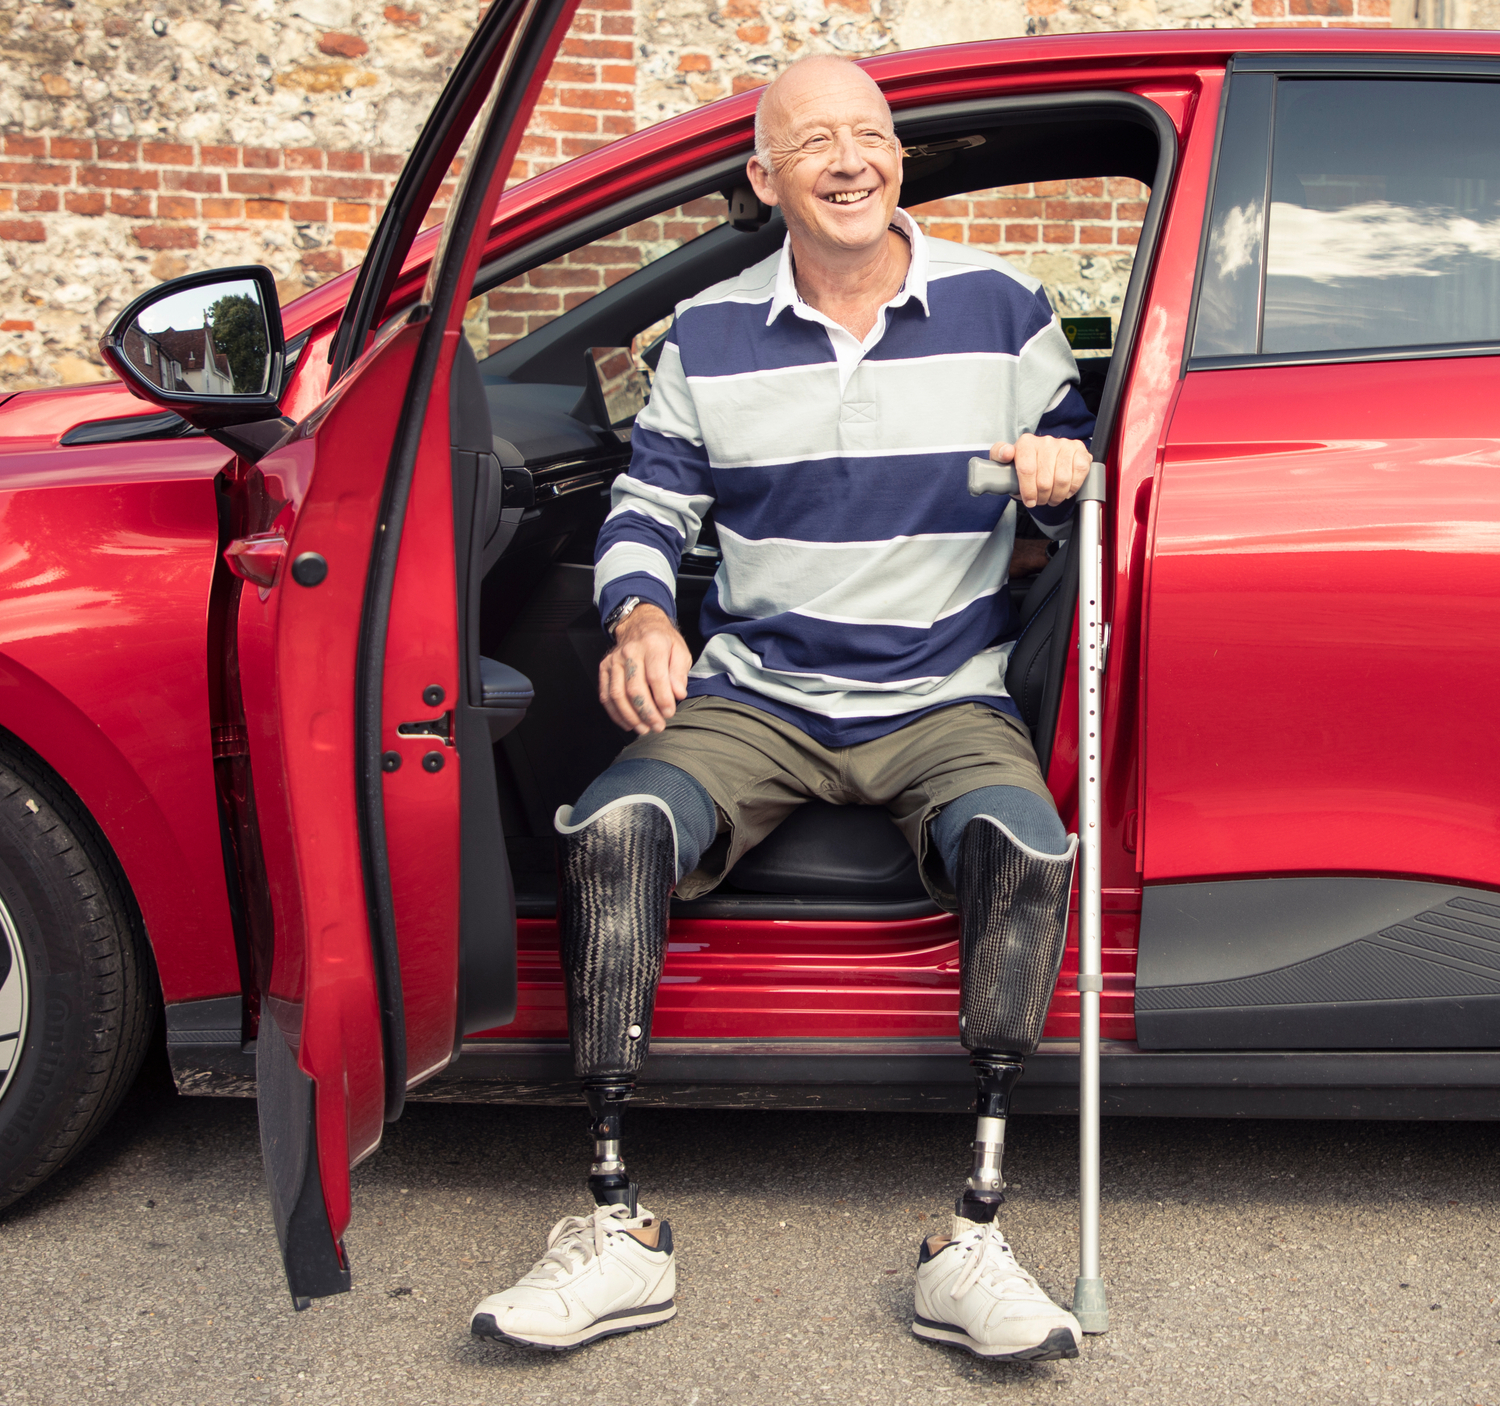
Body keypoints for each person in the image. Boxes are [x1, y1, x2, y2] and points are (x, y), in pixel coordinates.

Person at [469, 54, 1097, 1362]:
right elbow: (645, 505)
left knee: (1028, 851)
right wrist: (643, 613)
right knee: (612, 830)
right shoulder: (706, 332)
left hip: (945, 694)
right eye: (817, 141)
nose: (853, 158)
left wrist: (1060, 463)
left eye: (871, 134)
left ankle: (973, 1232)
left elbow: (1085, 449)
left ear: (899, 160)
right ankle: (613, 1223)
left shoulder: (1003, 305)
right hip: (758, 695)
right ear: (767, 178)